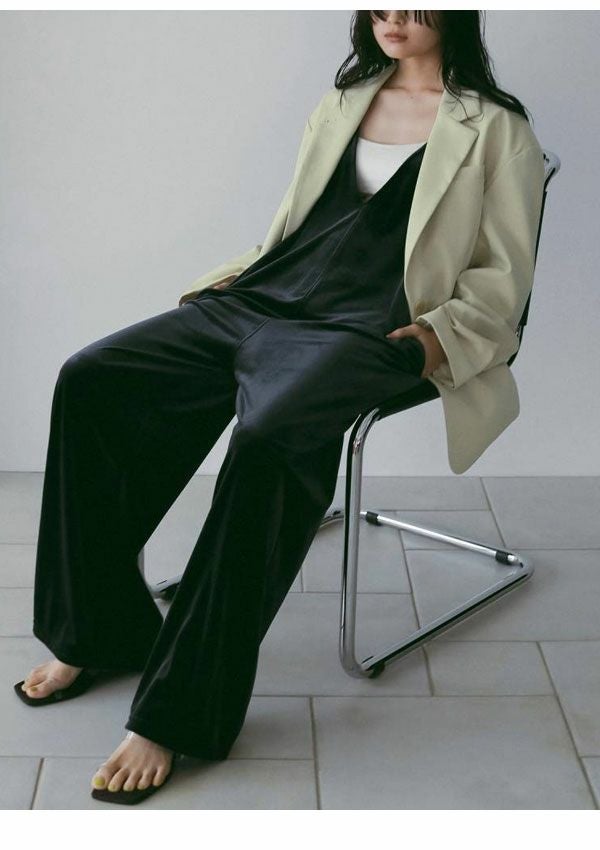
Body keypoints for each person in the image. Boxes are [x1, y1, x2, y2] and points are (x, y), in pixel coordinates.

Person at [14, 11, 546, 804]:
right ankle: (96, 631)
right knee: (92, 379)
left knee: (270, 433)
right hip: (269, 296)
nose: (395, 18)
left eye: (418, 3)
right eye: (380, 3)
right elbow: (297, 226)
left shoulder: (499, 130)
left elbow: (504, 281)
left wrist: (436, 341)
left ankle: (178, 710)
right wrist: (241, 278)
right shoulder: (343, 102)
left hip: (376, 326)